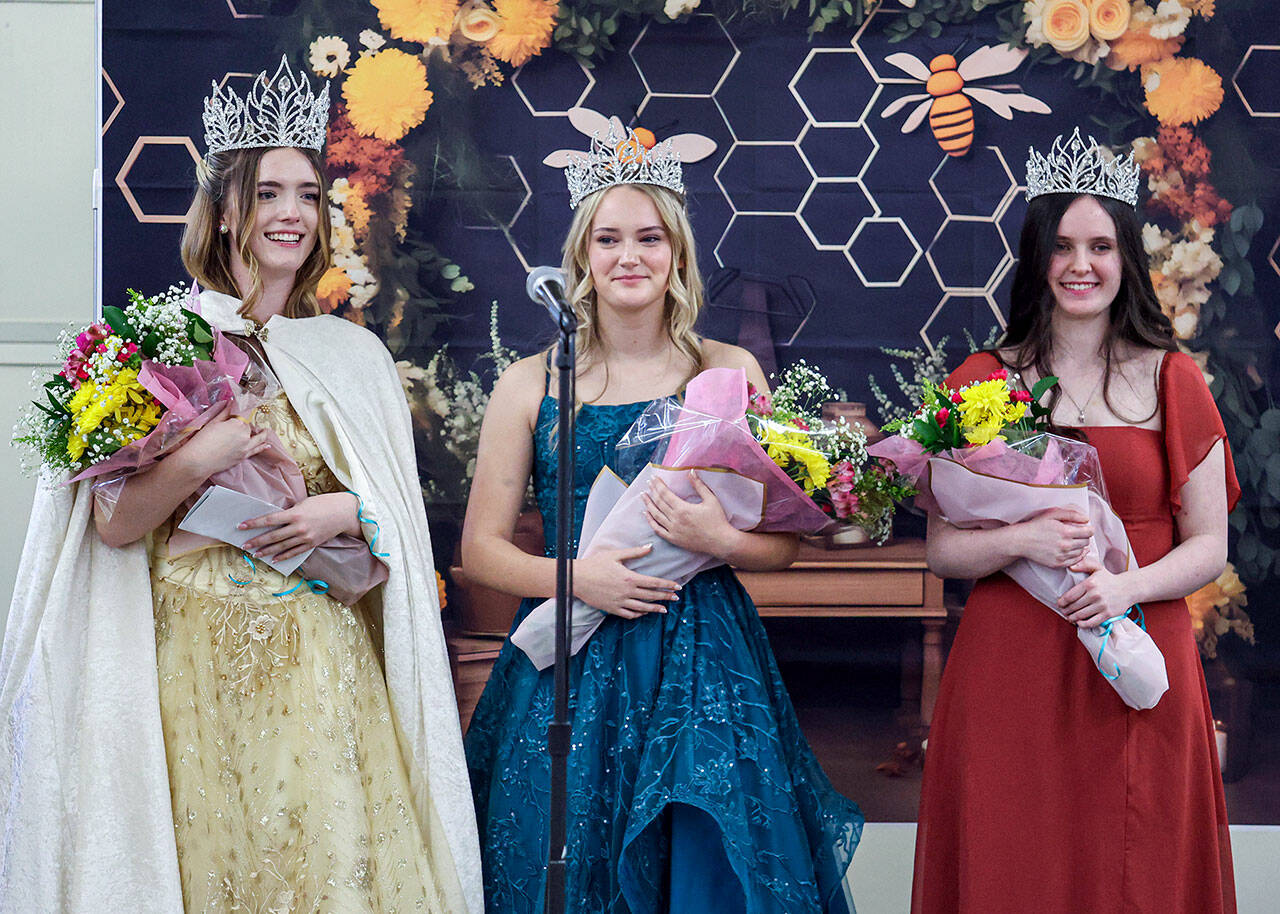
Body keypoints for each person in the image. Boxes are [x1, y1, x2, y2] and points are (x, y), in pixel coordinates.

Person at [0, 58, 481, 913]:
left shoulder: (352, 356)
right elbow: (112, 528)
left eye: (307, 195)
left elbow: (398, 522)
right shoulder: (155, 345)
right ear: (225, 210)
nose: (291, 213)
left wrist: (345, 508)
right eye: (267, 194)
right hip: (189, 653)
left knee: (322, 863)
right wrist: (197, 457)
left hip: (318, 654)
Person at [461, 124, 863, 914]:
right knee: (561, 853)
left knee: (703, 855)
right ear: (582, 257)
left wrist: (719, 539)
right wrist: (580, 580)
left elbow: (783, 544)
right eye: (608, 239)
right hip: (572, 649)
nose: (629, 256)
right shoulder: (531, 384)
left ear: (676, 253)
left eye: (649, 238)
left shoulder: (727, 371)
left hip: (702, 653)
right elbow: (480, 549)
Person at [912, 129, 1238, 913]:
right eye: (1061, 246)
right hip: (1012, 663)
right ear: (1037, 258)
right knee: (1013, 861)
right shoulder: (983, 382)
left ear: (1126, 259)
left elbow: (1209, 547)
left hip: (1135, 652)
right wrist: (1021, 539)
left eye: (1099, 246)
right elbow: (942, 551)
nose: (1080, 265)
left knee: (1137, 866)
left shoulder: (1173, 379)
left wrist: (1126, 587)